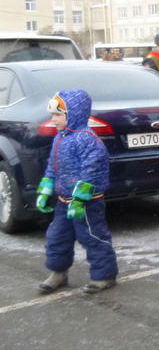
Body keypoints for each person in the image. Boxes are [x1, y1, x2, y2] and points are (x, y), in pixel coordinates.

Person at [36, 90, 118, 294]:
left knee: (92, 236)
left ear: (73, 114)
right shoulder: (60, 138)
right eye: (52, 115)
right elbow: (52, 167)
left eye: (57, 115)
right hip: (64, 201)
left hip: (87, 202)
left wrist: (80, 199)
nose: (53, 120)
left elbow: (93, 170)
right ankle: (58, 272)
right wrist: (45, 191)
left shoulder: (87, 139)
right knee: (57, 236)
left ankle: (104, 275)